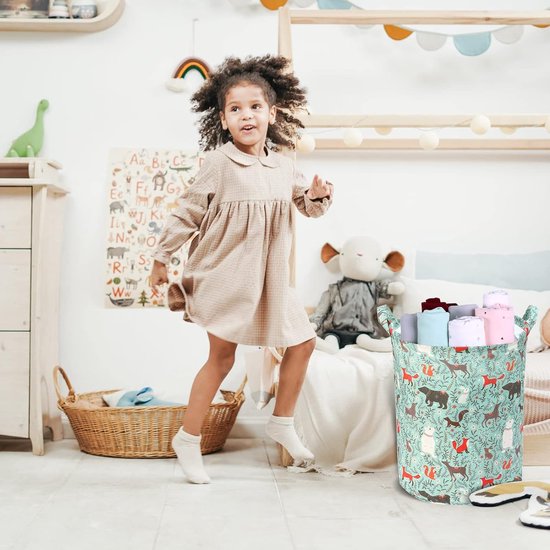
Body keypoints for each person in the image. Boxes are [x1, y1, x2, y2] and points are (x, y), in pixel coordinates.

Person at [150, 54, 334, 484]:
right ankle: (188, 439)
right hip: (226, 273)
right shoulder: (219, 163)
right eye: (235, 109)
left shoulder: (284, 165)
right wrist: (161, 258)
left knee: (303, 343)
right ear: (223, 119)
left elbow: (305, 207)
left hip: (269, 279)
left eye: (255, 107)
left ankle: (282, 422)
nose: (246, 115)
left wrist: (319, 194)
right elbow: (187, 213)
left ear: (273, 113)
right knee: (222, 357)